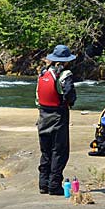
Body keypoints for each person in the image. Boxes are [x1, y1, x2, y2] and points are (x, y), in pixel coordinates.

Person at [36, 44, 77, 194]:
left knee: (45, 151)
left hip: (43, 116)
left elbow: (38, 98)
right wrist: (69, 102)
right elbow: (70, 94)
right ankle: (54, 186)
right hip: (58, 116)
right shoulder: (65, 75)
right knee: (59, 152)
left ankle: (43, 184)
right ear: (66, 61)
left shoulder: (43, 73)